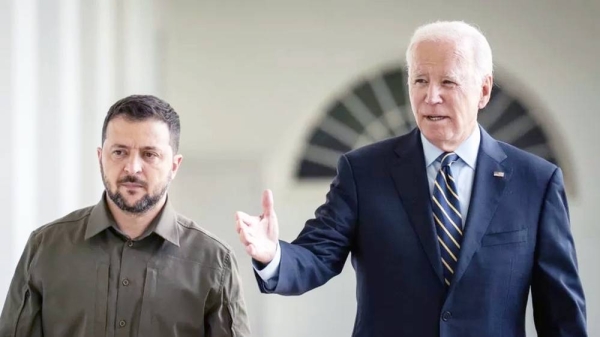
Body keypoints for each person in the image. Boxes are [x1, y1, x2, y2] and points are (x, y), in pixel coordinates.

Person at [235, 21, 587, 336]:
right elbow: (317, 256)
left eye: (448, 81)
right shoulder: (363, 171)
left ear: (483, 90)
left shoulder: (535, 182)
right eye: (420, 80)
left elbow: (561, 312)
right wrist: (273, 257)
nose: (430, 97)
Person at [0, 95, 251, 337]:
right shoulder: (45, 247)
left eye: (149, 154)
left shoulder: (215, 263)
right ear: (101, 158)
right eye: (119, 152)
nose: (132, 168)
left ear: (174, 166)